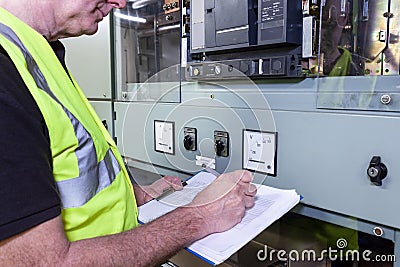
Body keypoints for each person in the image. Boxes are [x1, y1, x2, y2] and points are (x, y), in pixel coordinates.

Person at [0, 0, 257, 266]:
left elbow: (72, 171)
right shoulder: (6, 68)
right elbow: (47, 263)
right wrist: (200, 216)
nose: (120, 2)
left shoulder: (37, 51)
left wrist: (136, 196)